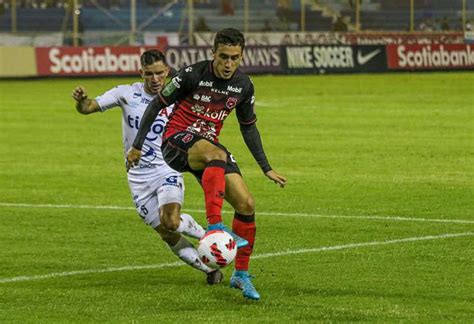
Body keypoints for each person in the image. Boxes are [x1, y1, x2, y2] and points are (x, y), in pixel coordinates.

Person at [126, 28, 287, 300]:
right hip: (176, 141)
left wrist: (265, 167)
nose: (228, 64)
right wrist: (138, 145)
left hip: (209, 148)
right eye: (223, 56)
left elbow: (248, 127)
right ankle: (214, 227)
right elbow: (156, 106)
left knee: (247, 204)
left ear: (241, 56)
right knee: (216, 154)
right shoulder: (191, 75)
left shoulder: (244, 86)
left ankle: (241, 275)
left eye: (234, 58)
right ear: (213, 53)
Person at [71, 49, 223, 285]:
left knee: (171, 221)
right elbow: (89, 107)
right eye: (149, 74)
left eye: (160, 73)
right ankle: (209, 270)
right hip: (138, 176)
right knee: (166, 232)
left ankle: (209, 235)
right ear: (140, 72)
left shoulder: (179, 97)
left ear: (168, 71)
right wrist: (81, 101)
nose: (155, 79)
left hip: (167, 168)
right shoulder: (126, 93)